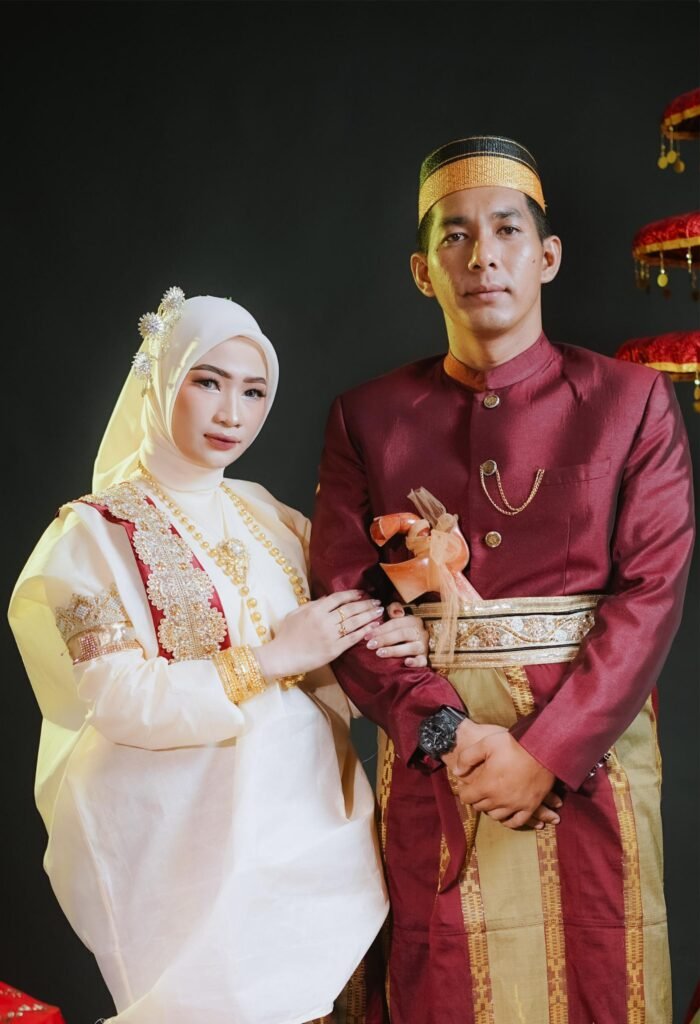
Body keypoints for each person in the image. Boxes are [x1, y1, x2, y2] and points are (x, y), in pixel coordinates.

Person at [310, 136, 695, 1024]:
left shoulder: (632, 401)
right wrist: (445, 733)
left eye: (507, 230)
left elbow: (651, 595)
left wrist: (545, 755)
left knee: (602, 981)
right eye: (455, 235)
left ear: (547, 256)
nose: (482, 255)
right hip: (441, 760)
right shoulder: (368, 417)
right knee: (440, 983)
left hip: (590, 757)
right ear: (422, 272)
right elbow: (345, 598)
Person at [9, 290, 430, 1024]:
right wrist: (267, 660)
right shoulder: (93, 533)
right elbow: (118, 699)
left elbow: (333, 648)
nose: (232, 412)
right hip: (184, 846)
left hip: (313, 825)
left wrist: (399, 633)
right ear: (161, 379)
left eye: (254, 391)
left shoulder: (269, 515)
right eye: (208, 382)